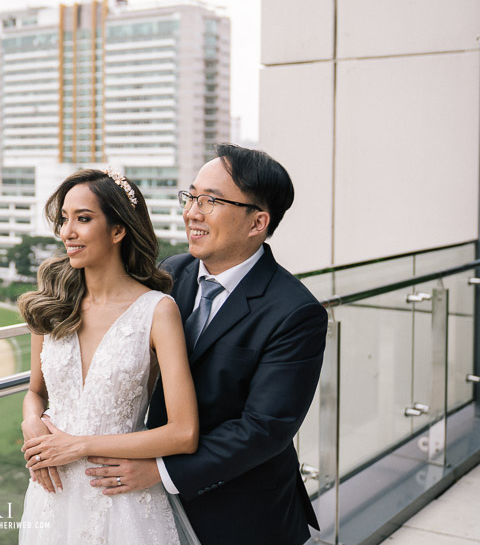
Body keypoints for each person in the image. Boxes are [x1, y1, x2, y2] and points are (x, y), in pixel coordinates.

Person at [83, 144, 328, 545]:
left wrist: (159, 470)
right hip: (143, 507)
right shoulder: (169, 273)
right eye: (192, 196)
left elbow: (264, 429)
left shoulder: (296, 312)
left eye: (211, 201)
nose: (192, 212)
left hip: (241, 512)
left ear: (257, 222)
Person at [17, 168, 201, 544]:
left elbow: (184, 433)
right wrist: (31, 422)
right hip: (52, 495)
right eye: (65, 219)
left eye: (83, 219)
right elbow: (35, 392)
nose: (68, 231)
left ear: (118, 231)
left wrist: (79, 445)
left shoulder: (157, 311)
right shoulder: (52, 305)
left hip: (121, 498)